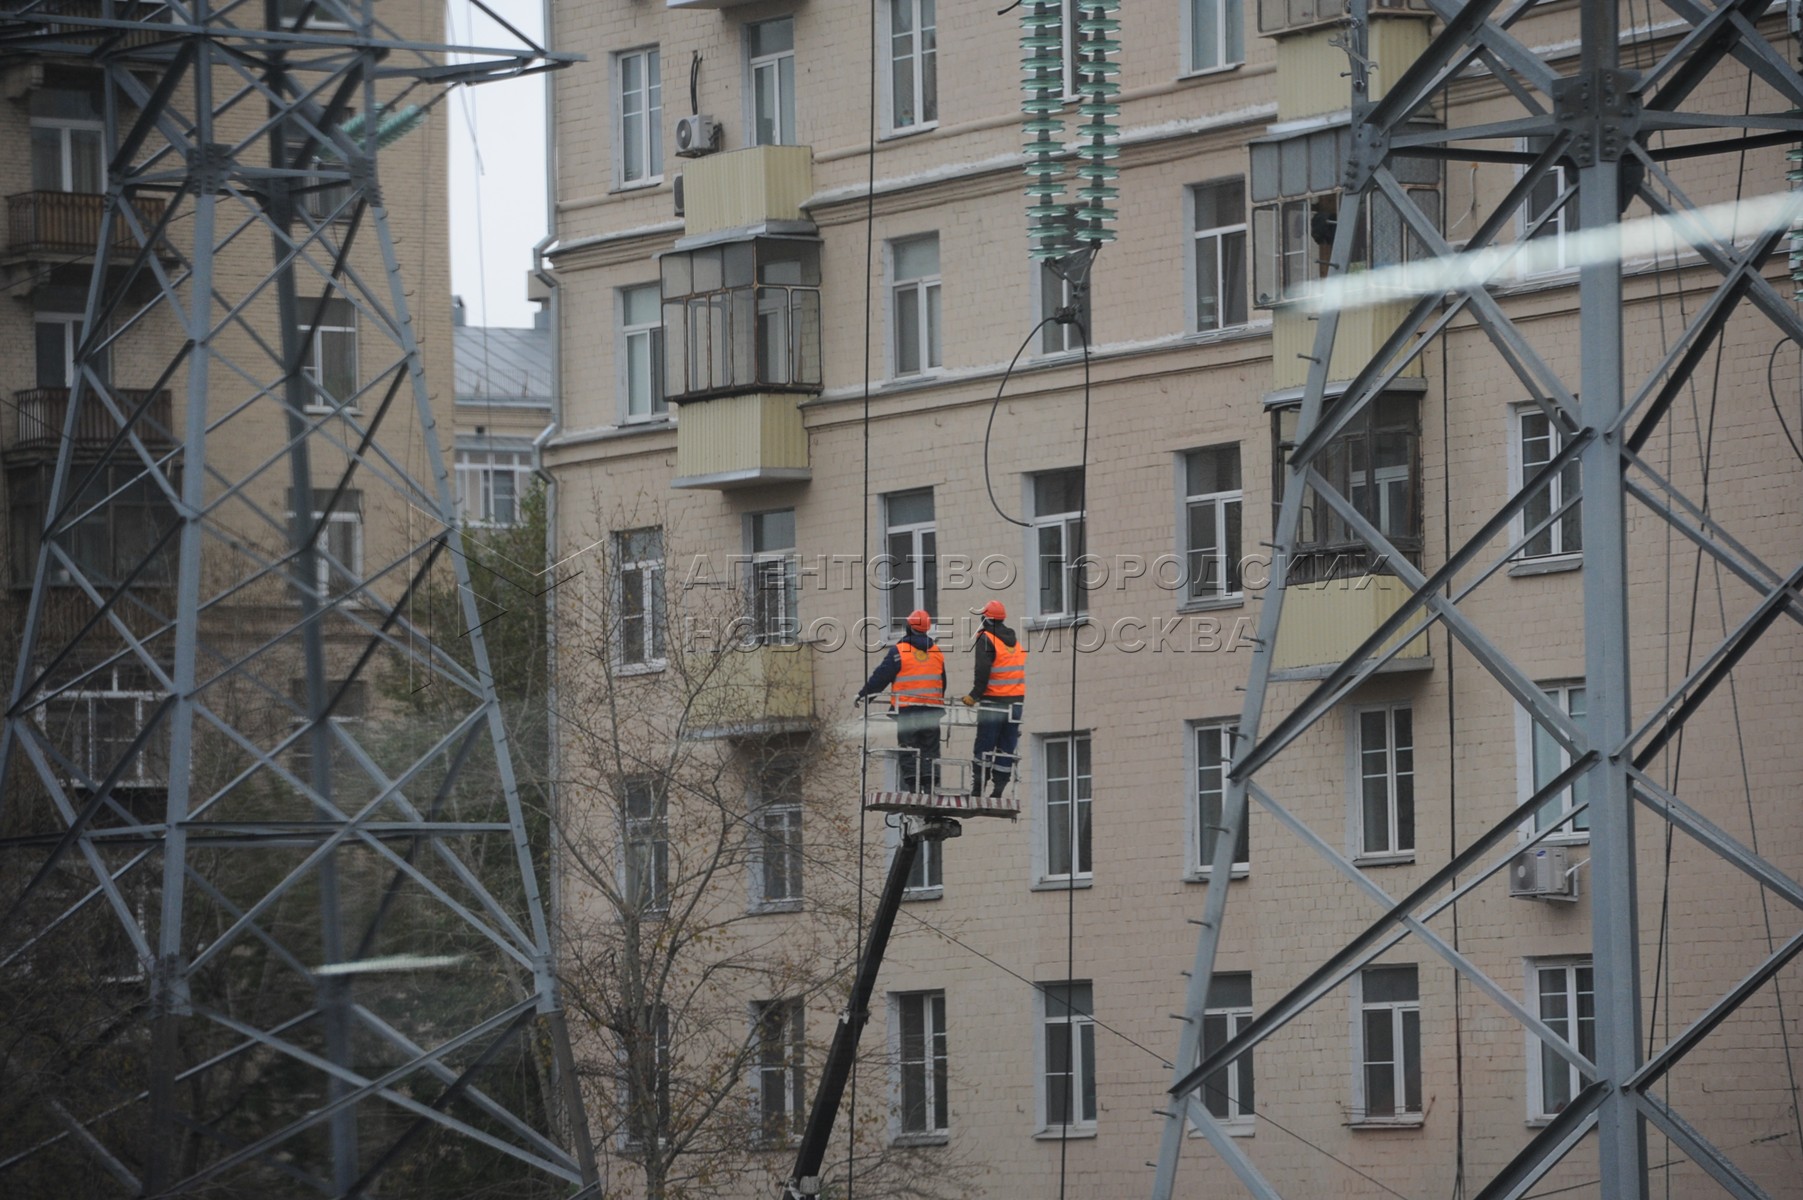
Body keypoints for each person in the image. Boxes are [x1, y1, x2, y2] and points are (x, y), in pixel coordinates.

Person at [855, 609, 946, 793]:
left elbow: (881, 676)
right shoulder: (936, 652)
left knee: (908, 748)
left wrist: (865, 695)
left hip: (907, 710)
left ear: (909, 627)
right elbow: (943, 683)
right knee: (930, 749)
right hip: (932, 710)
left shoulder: (900, 651)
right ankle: (929, 786)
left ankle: (913, 787)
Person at [962, 600, 1026, 799]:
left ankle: (978, 788)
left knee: (985, 745)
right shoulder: (1014, 642)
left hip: (994, 702)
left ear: (986, 619)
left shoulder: (986, 638)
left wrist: (974, 695)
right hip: (1015, 704)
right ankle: (999, 789)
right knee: (1006, 747)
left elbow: (982, 670)